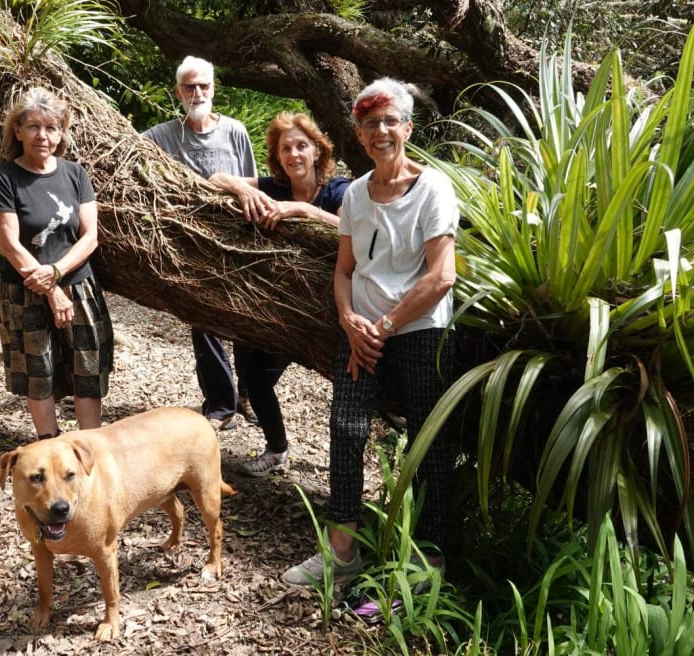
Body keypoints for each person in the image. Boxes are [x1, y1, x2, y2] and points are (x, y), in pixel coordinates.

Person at [281, 78, 459, 586]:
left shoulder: (434, 189)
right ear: (358, 134)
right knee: (346, 428)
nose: (380, 131)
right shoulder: (356, 194)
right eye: (369, 123)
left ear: (406, 127)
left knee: (429, 438)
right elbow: (344, 270)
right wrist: (347, 319)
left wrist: (381, 327)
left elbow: (441, 276)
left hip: (421, 329)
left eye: (389, 121)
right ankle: (342, 554)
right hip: (360, 329)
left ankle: (431, 557)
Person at [209, 111, 350, 476]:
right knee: (252, 376)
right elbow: (215, 178)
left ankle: (289, 454)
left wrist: (303, 210)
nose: (294, 155)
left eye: (302, 146)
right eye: (286, 148)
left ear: (317, 151)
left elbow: (357, 228)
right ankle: (277, 450)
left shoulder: (338, 191)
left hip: (326, 310)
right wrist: (242, 188)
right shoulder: (274, 188)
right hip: (277, 306)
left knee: (261, 380)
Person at [142, 55, 259, 432]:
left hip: (237, 242)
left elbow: (252, 184)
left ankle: (249, 395)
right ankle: (221, 404)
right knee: (203, 325)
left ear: (213, 88)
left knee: (248, 322)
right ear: (178, 91)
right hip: (191, 248)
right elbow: (131, 153)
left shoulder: (235, 131)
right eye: (189, 86)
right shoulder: (163, 135)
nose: (197, 92)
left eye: (203, 85)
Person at [0, 86, 114, 439]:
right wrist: (50, 290)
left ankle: (91, 447)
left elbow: (90, 236)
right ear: (18, 131)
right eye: (32, 126)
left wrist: (58, 274)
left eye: (50, 127)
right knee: (38, 373)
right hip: (25, 290)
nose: (41, 135)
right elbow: (9, 243)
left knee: (87, 370)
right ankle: (50, 445)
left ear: (61, 134)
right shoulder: (5, 177)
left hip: (78, 286)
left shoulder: (75, 174)